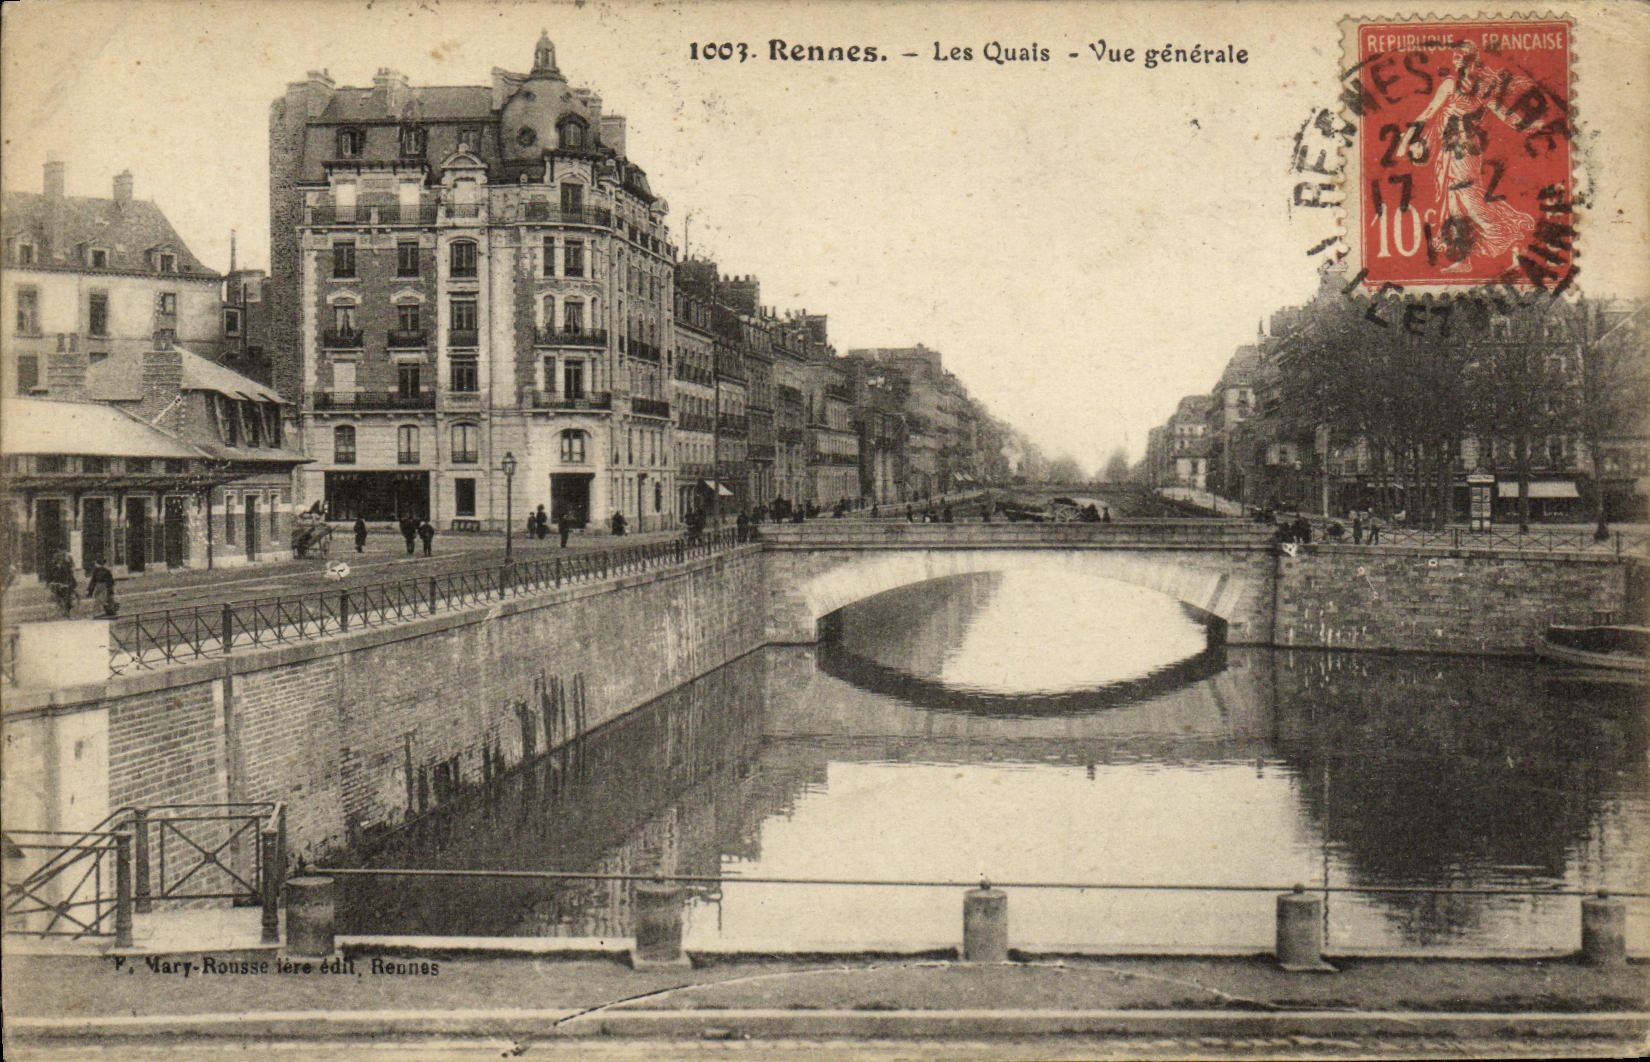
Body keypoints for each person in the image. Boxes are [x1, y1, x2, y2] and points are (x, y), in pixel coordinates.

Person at [46, 550, 77, 617]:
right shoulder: (65, 560)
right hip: (63, 581)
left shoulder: (63, 561)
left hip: (65, 581)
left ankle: (67, 611)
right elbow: (72, 568)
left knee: (65, 595)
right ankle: (65, 610)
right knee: (62, 595)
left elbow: (71, 570)